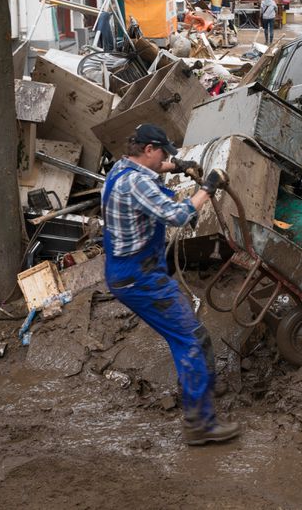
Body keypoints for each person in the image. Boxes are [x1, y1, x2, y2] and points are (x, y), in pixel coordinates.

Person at [102, 124, 239, 446]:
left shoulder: (121, 169)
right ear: (149, 149)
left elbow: (153, 169)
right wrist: (208, 186)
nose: (166, 158)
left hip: (130, 271)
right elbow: (177, 215)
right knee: (190, 338)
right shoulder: (136, 183)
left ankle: (203, 385)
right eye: (164, 153)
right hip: (139, 278)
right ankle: (200, 423)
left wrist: (177, 166)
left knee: (189, 335)